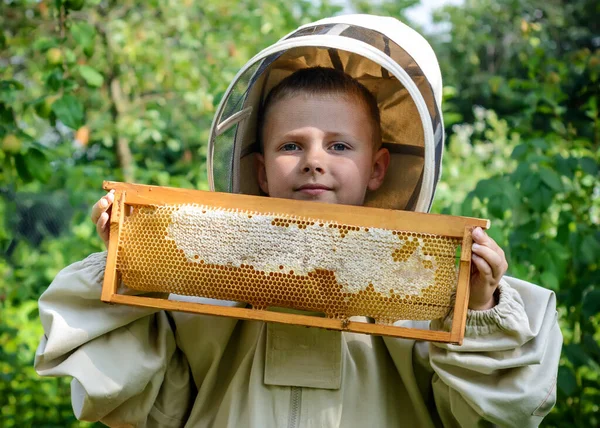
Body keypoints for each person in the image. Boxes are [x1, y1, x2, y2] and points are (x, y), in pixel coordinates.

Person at [35, 15, 562, 428]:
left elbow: (493, 417)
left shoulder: (426, 293)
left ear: (378, 168)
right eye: (292, 145)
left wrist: (479, 311)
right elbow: (153, 409)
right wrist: (128, 268)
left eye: (338, 145)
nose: (314, 160)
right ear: (260, 169)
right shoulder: (203, 287)